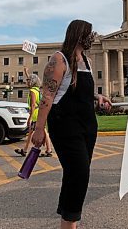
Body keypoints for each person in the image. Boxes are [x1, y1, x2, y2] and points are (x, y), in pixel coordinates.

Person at [32, 20, 111, 229]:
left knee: (76, 174)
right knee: (79, 173)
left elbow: (76, 89)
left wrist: (97, 97)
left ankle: (69, 222)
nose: (92, 37)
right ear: (78, 35)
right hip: (65, 125)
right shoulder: (59, 59)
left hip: (87, 125)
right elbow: (47, 96)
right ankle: (69, 224)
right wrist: (39, 129)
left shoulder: (86, 60)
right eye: (89, 33)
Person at [14, 69, 52, 157]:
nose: (26, 82)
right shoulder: (37, 89)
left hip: (35, 113)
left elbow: (33, 105)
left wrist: (29, 118)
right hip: (40, 112)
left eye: (28, 81)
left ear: (31, 82)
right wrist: (26, 73)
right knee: (35, 131)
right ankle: (25, 150)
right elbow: (33, 79)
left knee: (41, 131)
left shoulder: (32, 91)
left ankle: (48, 149)